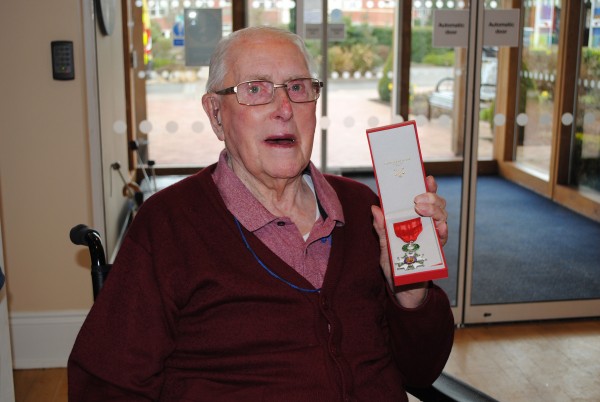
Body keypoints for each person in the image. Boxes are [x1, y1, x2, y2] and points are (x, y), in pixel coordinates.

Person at [68, 26, 454, 402]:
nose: (284, 109)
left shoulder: (363, 209)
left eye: (298, 88)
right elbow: (106, 385)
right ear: (216, 114)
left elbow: (420, 371)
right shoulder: (168, 225)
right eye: (255, 90)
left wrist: (410, 290)